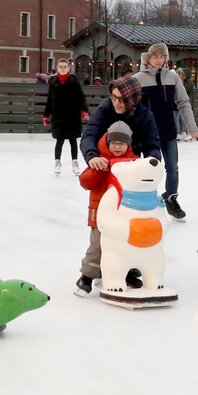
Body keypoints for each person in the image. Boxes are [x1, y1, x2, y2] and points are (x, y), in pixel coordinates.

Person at [134, 43, 198, 221]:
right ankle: (146, 202)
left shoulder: (172, 77)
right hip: (148, 134)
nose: (160, 60)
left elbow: (184, 103)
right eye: (156, 56)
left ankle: (171, 199)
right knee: (151, 170)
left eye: (163, 56)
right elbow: (131, 108)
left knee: (172, 167)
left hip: (168, 130)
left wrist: (193, 129)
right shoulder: (138, 79)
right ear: (148, 58)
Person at [74, 121, 137, 297]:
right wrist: (98, 169)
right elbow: (85, 181)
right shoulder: (99, 159)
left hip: (124, 214)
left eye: (122, 143)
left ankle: (127, 273)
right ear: (108, 142)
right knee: (98, 246)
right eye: (114, 142)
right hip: (100, 214)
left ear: (128, 144)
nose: (117, 146)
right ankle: (86, 277)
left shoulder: (133, 162)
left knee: (126, 244)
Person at [81, 76, 161, 164]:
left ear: (132, 99)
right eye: (114, 97)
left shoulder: (145, 115)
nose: (116, 103)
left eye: (122, 99)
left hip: (131, 162)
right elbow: (90, 135)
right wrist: (92, 156)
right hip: (104, 161)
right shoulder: (105, 109)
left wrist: (152, 160)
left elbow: (152, 145)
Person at [43, 58, 89, 176]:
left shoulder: (74, 81)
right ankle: (57, 162)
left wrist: (84, 111)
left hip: (72, 116)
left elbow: (81, 98)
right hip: (58, 116)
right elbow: (49, 100)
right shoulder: (53, 82)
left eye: (65, 66)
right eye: (61, 67)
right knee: (59, 140)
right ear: (57, 68)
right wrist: (46, 115)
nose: (63, 68)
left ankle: (75, 162)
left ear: (68, 68)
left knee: (73, 140)